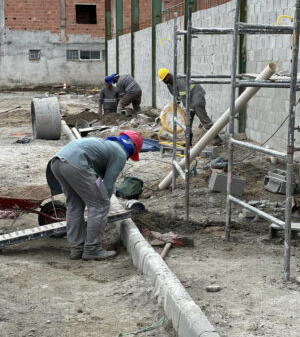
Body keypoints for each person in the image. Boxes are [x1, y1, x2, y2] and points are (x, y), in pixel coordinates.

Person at [46, 130, 143, 261]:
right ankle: (92, 249)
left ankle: (76, 249)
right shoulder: (120, 154)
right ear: (133, 149)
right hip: (75, 164)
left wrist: (97, 194)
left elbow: (96, 179)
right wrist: (102, 204)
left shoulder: (107, 145)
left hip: (57, 162)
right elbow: (108, 185)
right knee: (100, 204)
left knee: (75, 205)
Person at [157, 68, 222, 146]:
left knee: (203, 117)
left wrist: (186, 107)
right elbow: (177, 96)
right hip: (189, 100)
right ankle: (188, 141)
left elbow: (185, 95)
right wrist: (177, 105)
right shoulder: (169, 85)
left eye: (164, 78)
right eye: (162, 79)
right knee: (187, 121)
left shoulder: (179, 80)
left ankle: (216, 137)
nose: (164, 81)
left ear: (168, 75)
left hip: (196, 96)